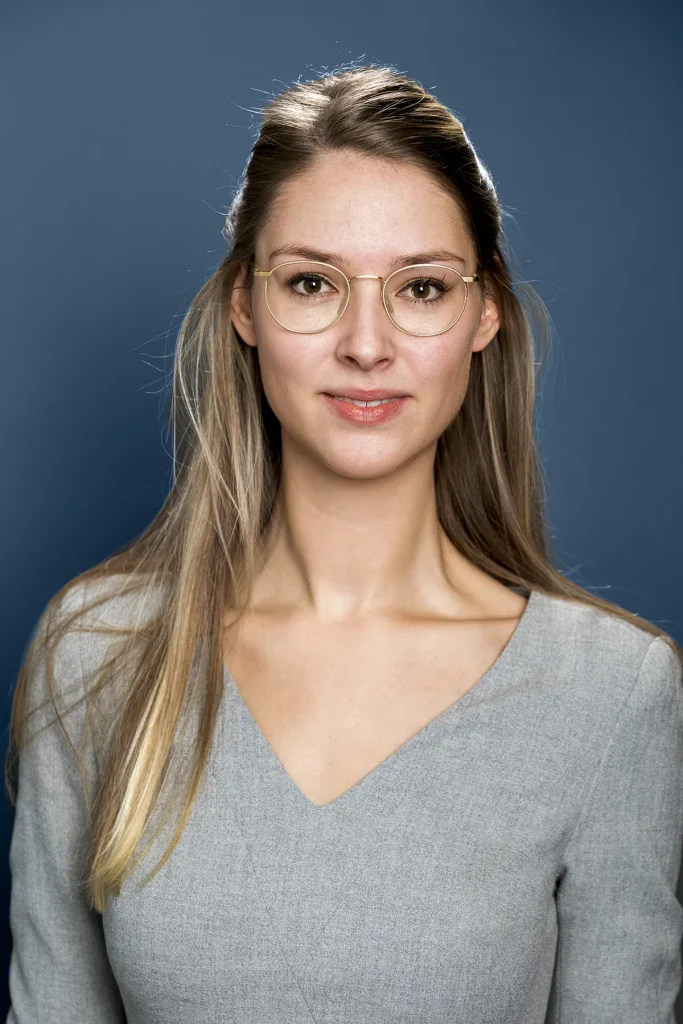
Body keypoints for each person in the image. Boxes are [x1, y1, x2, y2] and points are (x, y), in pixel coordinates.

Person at [5, 63, 683, 1024]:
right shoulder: (98, 654)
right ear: (245, 306)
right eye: (313, 282)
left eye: (420, 288)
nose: (366, 344)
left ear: (483, 314)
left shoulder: (611, 694)